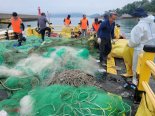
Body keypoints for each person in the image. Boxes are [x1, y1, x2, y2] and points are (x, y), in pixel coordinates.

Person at [127, 8, 155, 85]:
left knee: (136, 65)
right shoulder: (153, 24)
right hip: (152, 49)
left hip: (140, 49)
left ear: (138, 17)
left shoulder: (139, 26)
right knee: (148, 65)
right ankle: (146, 80)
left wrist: (129, 44)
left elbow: (134, 42)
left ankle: (135, 80)